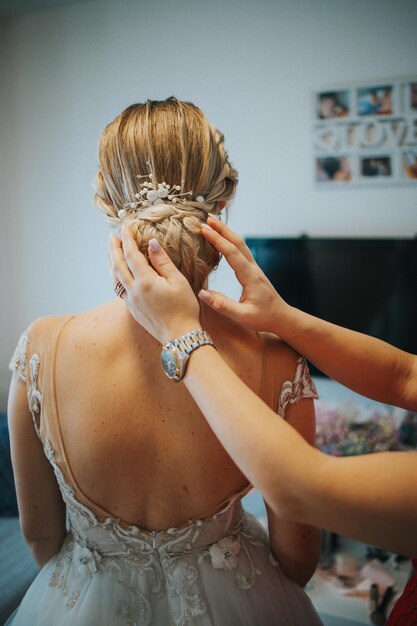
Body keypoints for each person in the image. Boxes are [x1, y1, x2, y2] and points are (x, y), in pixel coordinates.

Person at [6, 98, 323, 626]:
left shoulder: (41, 348)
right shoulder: (275, 359)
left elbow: (41, 539)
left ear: (107, 199)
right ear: (219, 202)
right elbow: (298, 559)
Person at [109, 217, 417, 625]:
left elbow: (300, 488)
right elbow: (406, 376)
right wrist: (282, 318)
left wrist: (181, 336)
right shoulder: (277, 359)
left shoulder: (47, 341)